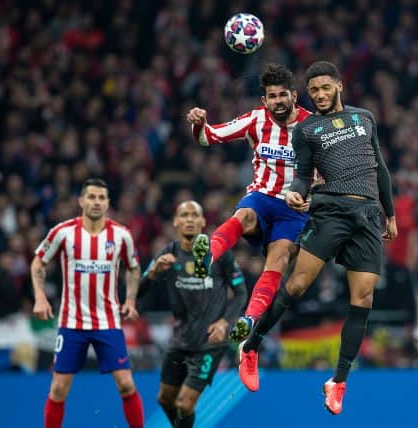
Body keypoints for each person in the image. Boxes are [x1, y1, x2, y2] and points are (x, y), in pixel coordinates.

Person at [238, 61, 398, 414]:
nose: (321, 95)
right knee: (295, 286)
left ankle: (338, 381)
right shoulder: (307, 130)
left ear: (339, 86)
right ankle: (252, 345)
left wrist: (390, 213)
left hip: (368, 216)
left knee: (364, 298)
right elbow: (302, 175)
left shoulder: (365, 118)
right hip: (330, 212)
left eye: (326, 88)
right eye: (314, 91)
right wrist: (295, 193)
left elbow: (380, 168)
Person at [185, 63, 312, 342]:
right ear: (264, 100)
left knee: (277, 260)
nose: (278, 101)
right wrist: (199, 123)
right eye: (272, 97)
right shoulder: (256, 119)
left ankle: (249, 318)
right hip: (262, 197)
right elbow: (209, 137)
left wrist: (313, 190)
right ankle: (207, 256)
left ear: (293, 95)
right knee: (244, 215)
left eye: (283, 95)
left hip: (294, 211)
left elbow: (328, 171)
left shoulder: (312, 125)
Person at [31, 178, 145, 428]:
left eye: (101, 198)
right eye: (91, 197)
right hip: (72, 323)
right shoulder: (63, 232)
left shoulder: (122, 235)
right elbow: (39, 261)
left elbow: (133, 268)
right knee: (59, 388)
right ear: (81, 201)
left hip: (108, 322)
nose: (96, 202)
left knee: (126, 384)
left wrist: (130, 300)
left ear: (108, 203)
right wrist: (40, 297)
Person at [138, 201, 247, 428]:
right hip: (180, 339)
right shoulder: (169, 253)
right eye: (184, 215)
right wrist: (154, 273)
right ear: (176, 222)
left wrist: (224, 322)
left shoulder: (219, 254)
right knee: (165, 399)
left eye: (194, 215)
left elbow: (240, 292)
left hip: (209, 341)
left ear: (202, 222)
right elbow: (139, 291)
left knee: (185, 404)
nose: (189, 219)